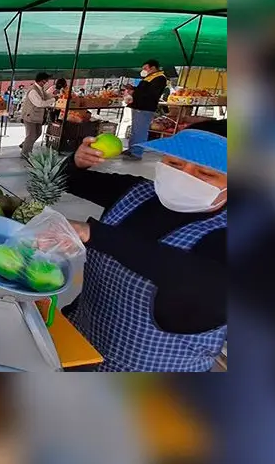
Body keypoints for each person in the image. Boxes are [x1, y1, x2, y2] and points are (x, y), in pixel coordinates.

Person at [61, 120, 227, 371]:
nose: (184, 176)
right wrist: (77, 161)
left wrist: (95, 234)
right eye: (175, 163)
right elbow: (68, 180)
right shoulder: (139, 193)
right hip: (82, 341)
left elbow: (199, 278)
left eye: (206, 174)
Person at [126, 59, 168, 160]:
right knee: (135, 130)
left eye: (145, 68)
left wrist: (134, 93)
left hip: (145, 107)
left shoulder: (160, 78)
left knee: (140, 131)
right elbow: (143, 90)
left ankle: (136, 153)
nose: (143, 70)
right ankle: (132, 149)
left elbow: (151, 94)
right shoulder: (149, 77)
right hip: (138, 106)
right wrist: (134, 89)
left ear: (153, 68)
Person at [18, 73, 56, 155]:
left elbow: (47, 96)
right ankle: (25, 153)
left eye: (47, 81)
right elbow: (39, 103)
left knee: (38, 133)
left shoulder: (40, 89)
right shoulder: (33, 90)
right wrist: (53, 100)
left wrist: (54, 96)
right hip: (30, 116)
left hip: (37, 116)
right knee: (31, 135)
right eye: (45, 81)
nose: (46, 83)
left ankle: (25, 144)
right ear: (40, 81)